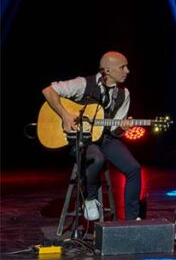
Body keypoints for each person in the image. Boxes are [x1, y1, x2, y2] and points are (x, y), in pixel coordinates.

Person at [42, 51, 142, 221]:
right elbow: (48, 91)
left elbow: (114, 130)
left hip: (106, 138)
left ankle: (132, 220)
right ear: (107, 70)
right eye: (122, 67)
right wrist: (65, 115)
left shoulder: (124, 94)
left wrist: (122, 128)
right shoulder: (84, 84)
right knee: (97, 158)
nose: (127, 71)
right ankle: (90, 198)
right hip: (83, 137)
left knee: (134, 169)